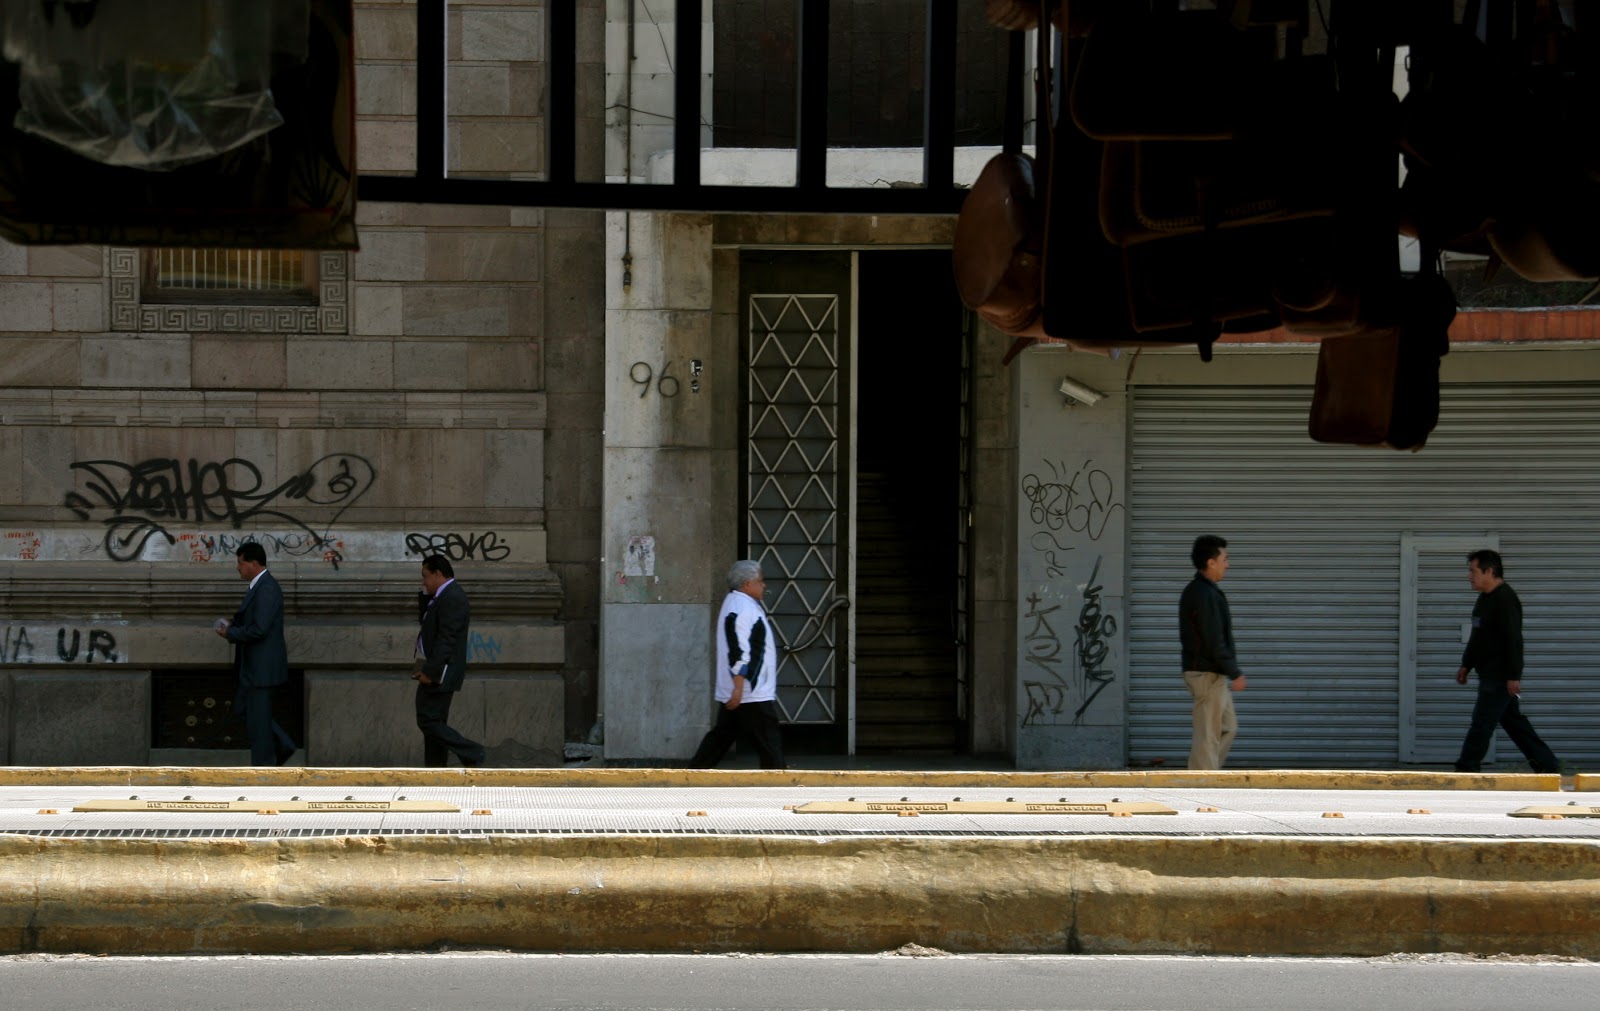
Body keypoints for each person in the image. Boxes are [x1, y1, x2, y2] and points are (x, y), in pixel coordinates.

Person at [1453, 549, 1561, 774]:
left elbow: (1513, 640)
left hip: (1499, 675)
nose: (1469, 576)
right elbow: (1478, 636)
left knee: (1482, 723)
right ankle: (1548, 765)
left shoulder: (1505, 599)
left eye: (1473, 571)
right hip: (1488, 672)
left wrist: (1513, 676)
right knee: (1515, 724)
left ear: (1489, 571)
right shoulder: (1484, 599)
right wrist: (1466, 664)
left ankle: (1466, 769)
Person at [688, 559, 787, 770]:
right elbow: (739, 647)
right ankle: (779, 779)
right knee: (768, 737)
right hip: (750, 688)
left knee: (723, 735)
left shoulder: (740, 604)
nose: (764, 585)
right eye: (760, 581)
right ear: (747, 584)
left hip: (743, 688)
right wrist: (739, 685)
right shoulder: (742, 608)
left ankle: (695, 771)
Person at [214, 543, 296, 766]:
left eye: (240, 562)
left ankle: (264, 766)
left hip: (261, 668)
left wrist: (231, 633)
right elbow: (255, 621)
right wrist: (235, 624)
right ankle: (282, 745)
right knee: (244, 709)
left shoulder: (266, 588)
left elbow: (260, 629)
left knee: (258, 722)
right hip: (253, 668)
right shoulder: (258, 587)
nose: (237, 567)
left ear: (254, 563)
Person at [1177, 534, 1245, 770]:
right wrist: (1234, 672)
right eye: (1225, 559)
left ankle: (1210, 772)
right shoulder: (1202, 594)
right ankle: (1201, 782)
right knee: (1207, 734)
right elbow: (1212, 638)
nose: (1228, 564)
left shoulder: (1207, 591)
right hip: (1205, 674)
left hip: (1214, 673)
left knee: (1228, 727)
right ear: (1211, 562)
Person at [413, 554, 487, 768]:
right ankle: (435, 767)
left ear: (437, 573)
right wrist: (426, 596)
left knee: (428, 720)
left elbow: (447, 638)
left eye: (425, 576)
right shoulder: (441, 597)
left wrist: (431, 671)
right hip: (438, 669)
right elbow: (429, 625)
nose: (423, 581)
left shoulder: (453, 596)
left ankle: (472, 752)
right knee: (435, 722)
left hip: (441, 671)